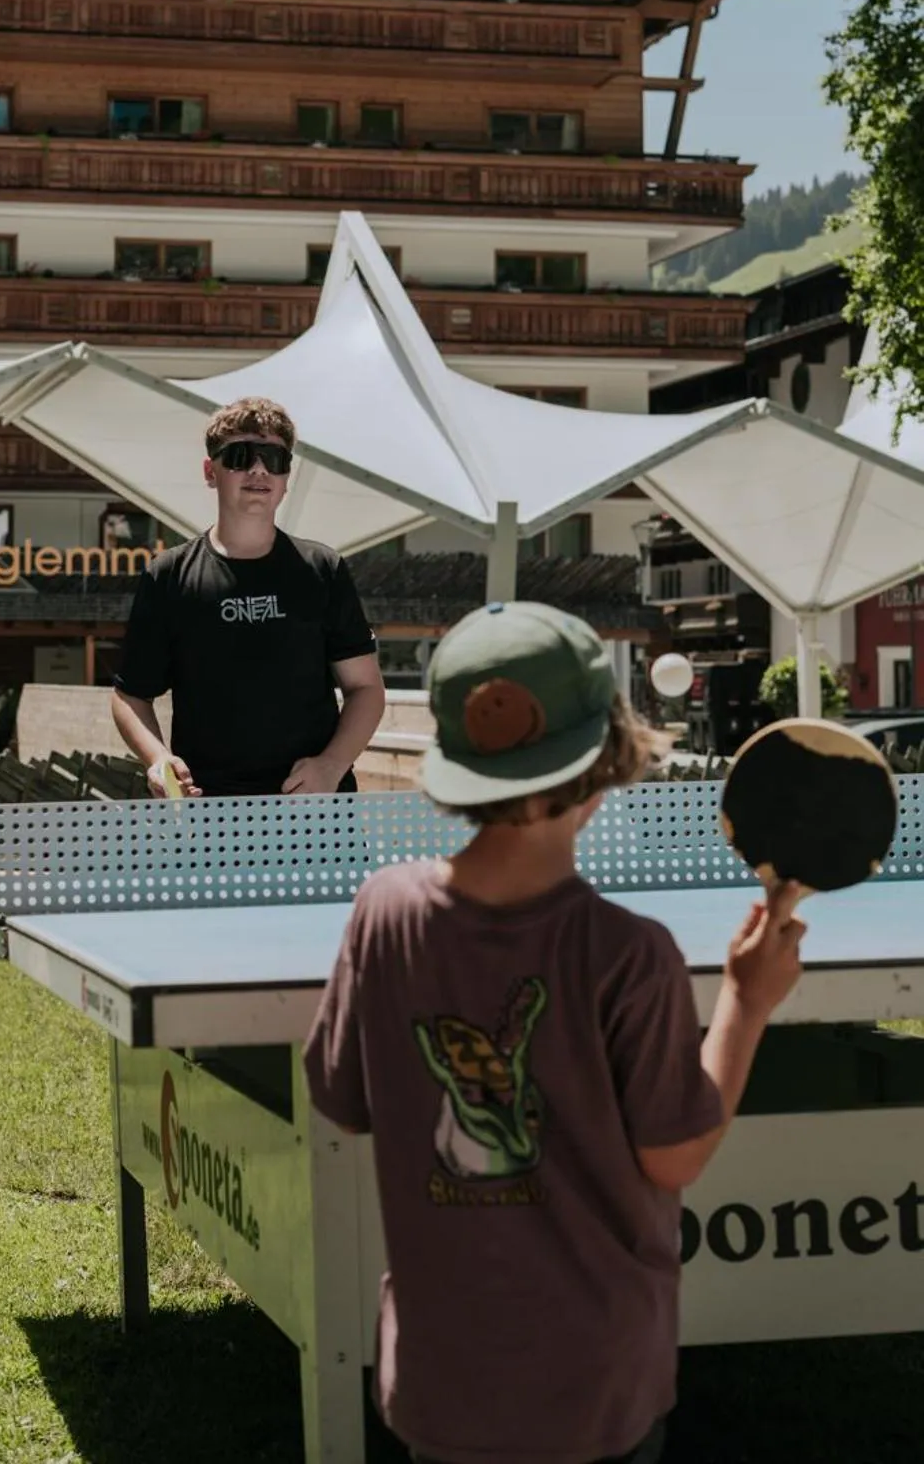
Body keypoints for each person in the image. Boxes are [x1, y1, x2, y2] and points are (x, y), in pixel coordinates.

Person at [303, 600, 805, 1464]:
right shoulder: (628, 953)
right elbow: (676, 1158)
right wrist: (746, 1002)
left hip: (439, 1381)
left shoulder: (381, 913)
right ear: (606, 761)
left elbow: (342, 1102)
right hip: (596, 1386)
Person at [110, 395, 386, 796]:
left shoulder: (322, 569)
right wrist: (158, 759)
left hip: (316, 809)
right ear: (210, 471)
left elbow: (366, 688)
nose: (259, 469)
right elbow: (129, 695)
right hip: (210, 814)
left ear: (286, 477)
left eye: (274, 458)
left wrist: (331, 766)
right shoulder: (168, 575)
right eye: (240, 455)